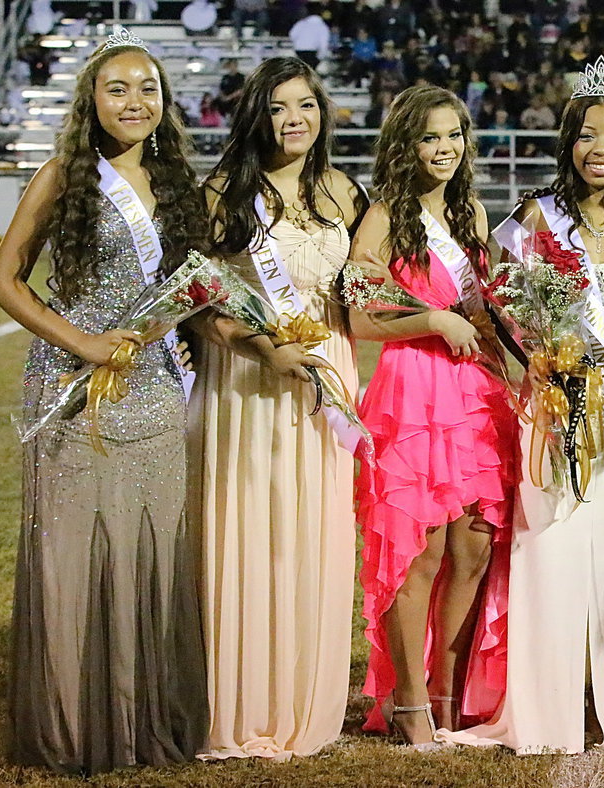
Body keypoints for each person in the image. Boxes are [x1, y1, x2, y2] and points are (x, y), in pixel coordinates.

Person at [0, 31, 207, 774]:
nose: (134, 101)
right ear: (92, 98)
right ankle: (74, 725)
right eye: (117, 88)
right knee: (74, 551)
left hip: (155, 394)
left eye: (147, 88)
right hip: (76, 390)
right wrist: (79, 340)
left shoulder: (179, 181)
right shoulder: (64, 176)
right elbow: (5, 277)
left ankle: (135, 718)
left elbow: (193, 294)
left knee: (146, 550)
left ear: (163, 101)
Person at [440, 58, 604, 755]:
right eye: (589, 134)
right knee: (554, 551)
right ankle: (545, 708)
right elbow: (496, 300)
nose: (602, 149)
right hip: (556, 414)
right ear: (568, 141)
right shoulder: (539, 215)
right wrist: (538, 361)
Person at [194, 56, 366, 761]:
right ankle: (240, 703)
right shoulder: (225, 193)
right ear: (257, 115)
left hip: (326, 381)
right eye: (279, 107)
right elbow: (198, 309)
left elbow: (363, 291)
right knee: (250, 535)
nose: (296, 119)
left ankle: (305, 700)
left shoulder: (343, 191)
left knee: (314, 537)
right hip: (248, 388)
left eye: (307, 105)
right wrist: (263, 350)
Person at [352, 85, 519, 747]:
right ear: (405, 145)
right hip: (415, 390)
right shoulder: (385, 216)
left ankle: (451, 695)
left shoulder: (470, 212)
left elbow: (488, 308)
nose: (443, 149)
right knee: (419, 554)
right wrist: (431, 319)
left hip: (475, 391)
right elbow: (361, 317)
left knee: (474, 549)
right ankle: (412, 704)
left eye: (453, 136)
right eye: (430, 137)